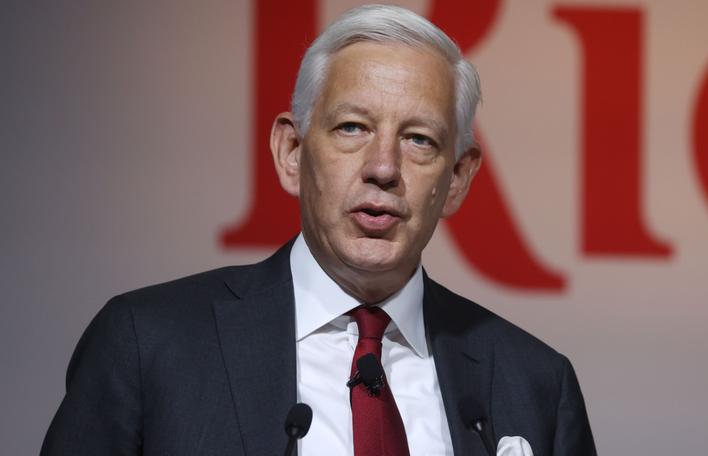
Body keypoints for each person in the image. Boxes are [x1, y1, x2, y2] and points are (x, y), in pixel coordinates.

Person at [41, 5, 596, 455]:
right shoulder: (149, 345)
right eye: (352, 127)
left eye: (419, 139)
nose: (383, 167)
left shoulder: (535, 385)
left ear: (456, 179)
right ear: (291, 151)